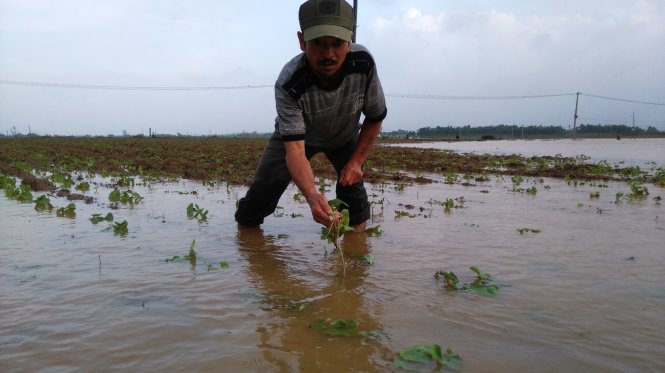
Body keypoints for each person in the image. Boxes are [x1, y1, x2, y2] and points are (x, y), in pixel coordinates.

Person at [234, 0, 387, 232]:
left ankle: (356, 258)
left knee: (354, 201)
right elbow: (295, 150)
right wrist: (312, 196)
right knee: (256, 203)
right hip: (298, 139)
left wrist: (355, 162)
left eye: (337, 43)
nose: (329, 54)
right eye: (318, 43)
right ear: (302, 41)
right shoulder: (289, 83)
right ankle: (248, 245)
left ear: (350, 39)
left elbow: (375, 117)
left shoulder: (363, 63)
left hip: (345, 136)